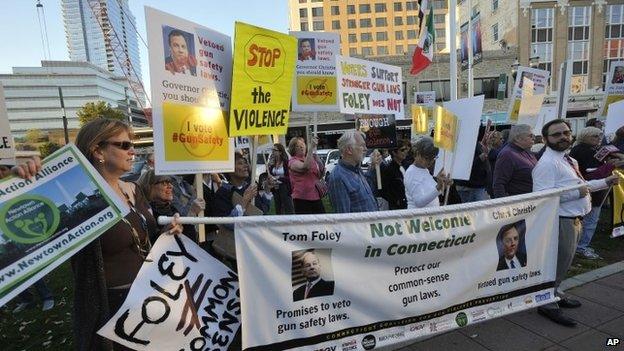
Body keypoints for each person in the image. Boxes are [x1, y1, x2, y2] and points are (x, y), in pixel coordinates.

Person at [71, 118, 183, 350]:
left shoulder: (132, 189)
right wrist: (25, 179)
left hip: (151, 296)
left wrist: (165, 233)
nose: (133, 151)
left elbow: (140, 238)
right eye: (124, 145)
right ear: (97, 150)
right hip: (113, 309)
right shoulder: (77, 200)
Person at [533, 119, 618, 327]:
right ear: (545, 139)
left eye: (566, 132)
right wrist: (575, 193)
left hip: (574, 220)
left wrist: (604, 182)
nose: (563, 137)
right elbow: (543, 197)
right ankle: (547, 304)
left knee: (564, 263)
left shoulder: (568, 160)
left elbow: (583, 185)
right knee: (557, 264)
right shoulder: (546, 164)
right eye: (556, 134)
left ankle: (556, 294)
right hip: (561, 221)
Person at [0, 158, 56, 313]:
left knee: (29, 265)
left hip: (20, 228)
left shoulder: (17, 179)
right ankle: (26, 299)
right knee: (9, 270)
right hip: (6, 236)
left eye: (2, 168)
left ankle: (47, 296)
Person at [569, 127, 624, 260]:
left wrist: (615, 158)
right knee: (590, 221)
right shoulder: (584, 150)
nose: (599, 138)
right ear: (585, 136)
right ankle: (581, 247)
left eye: (600, 135)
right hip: (592, 190)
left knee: (587, 220)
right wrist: (610, 165)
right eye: (595, 136)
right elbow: (591, 174)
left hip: (593, 190)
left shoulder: (590, 149)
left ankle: (579, 246)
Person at [213, 151, 273, 261]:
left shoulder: (250, 187)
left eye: (245, 163)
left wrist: (267, 190)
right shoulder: (223, 193)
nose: (245, 166)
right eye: (240, 163)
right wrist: (244, 201)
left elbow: (262, 211)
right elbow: (227, 224)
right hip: (237, 248)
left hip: (257, 242)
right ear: (230, 170)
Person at [138, 170, 199, 243]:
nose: (171, 186)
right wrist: (164, 233)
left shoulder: (172, 209)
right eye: (164, 183)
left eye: (170, 182)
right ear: (150, 186)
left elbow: (188, 236)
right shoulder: (144, 214)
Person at [328, 130, 382, 213]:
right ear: (349, 150)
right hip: (360, 226)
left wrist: (372, 167)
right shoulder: (338, 178)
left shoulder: (356, 169)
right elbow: (344, 217)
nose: (366, 149)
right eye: (362, 146)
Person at [404, 137, 452, 208]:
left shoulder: (423, 169)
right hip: (419, 217)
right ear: (417, 154)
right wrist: (439, 187)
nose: (430, 161)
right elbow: (419, 202)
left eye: (433, 158)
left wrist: (443, 184)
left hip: (427, 217)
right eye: (427, 158)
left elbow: (431, 192)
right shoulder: (411, 173)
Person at [492, 124, 538, 198]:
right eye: (530, 136)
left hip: (530, 201)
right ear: (517, 138)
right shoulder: (507, 154)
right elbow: (498, 184)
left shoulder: (525, 151)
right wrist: (504, 207)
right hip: (518, 204)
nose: (533, 138)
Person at [288, 136, 325, 214]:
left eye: (303, 144)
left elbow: (318, 175)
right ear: (293, 149)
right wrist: (311, 148)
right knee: (306, 224)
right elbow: (305, 167)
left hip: (315, 196)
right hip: (301, 198)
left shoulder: (310, 158)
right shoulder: (292, 161)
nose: (302, 147)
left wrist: (321, 168)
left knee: (321, 222)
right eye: (298, 145)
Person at [379, 140, 410, 210]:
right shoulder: (389, 169)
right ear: (394, 152)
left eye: (406, 149)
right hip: (396, 208)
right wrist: (396, 201)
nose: (405, 152)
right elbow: (384, 190)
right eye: (402, 150)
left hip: (407, 203)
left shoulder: (405, 166)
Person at [268, 143, 294, 214]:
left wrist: (279, 178)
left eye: (274, 150)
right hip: (275, 188)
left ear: (280, 152)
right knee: (278, 209)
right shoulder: (272, 163)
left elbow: (289, 177)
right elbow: (270, 175)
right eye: (272, 150)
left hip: (285, 187)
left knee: (288, 208)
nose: (273, 152)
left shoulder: (286, 163)